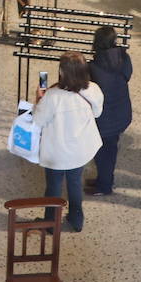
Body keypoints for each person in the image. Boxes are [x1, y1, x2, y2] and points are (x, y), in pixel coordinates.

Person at [32, 52, 104, 232]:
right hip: (80, 149)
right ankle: (76, 219)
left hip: (57, 152)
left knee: (54, 186)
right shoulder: (93, 89)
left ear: (63, 72)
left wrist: (38, 101)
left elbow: (38, 121)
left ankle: (51, 224)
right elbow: (97, 113)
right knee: (75, 183)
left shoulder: (53, 96)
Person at [85, 26, 133, 196]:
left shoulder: (93, 66)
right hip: (121, 112)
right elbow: (127, 76)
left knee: (103, 153)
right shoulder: (124, 57)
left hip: (104, 118)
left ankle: (104, 187)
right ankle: (104, 180)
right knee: (110, 150)